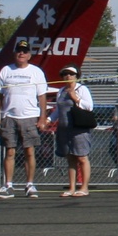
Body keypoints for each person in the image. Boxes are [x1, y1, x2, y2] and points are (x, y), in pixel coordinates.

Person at [0, 41, 49, 198]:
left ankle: (30, 184)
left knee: (29, 151)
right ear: (15, 53)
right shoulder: (5, 70)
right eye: (19, 51)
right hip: (9, 116)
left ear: (29, 55)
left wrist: (42, 117)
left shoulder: (36, 72)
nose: (21, 54)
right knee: (10, 151)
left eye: (24, 51)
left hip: (29, 116)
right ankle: (8, 185)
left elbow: (42, 95)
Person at [48, 65, 97, 198]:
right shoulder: (61, 91)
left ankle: (84, 187)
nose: (68, 76)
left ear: (76, 76)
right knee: (70, 158)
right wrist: (48, 119)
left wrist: (76, 99)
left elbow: (90, 106)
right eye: (65, 74)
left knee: (82, 157)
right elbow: (58, 110)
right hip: (64, 128)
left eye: (71, 74)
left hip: (79, 128)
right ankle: (71, 187)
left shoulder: (81, 89)